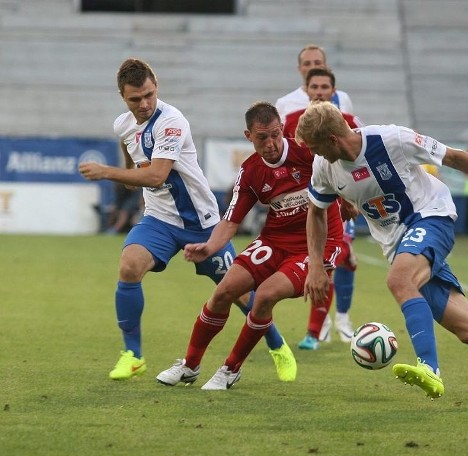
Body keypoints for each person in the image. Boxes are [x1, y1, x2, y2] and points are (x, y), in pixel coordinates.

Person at [296, 101, 468, 403]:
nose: (314, 153)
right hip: (398, 244)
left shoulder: (392, 140)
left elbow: (453, 157)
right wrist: (316, 265)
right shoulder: (324, 167)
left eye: (316, 147)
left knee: (399, 281)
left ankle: (430, 369)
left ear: (333, 140)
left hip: (432, 217)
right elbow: (316, 212)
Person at [78, 58, 294, 381]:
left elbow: (156, 175)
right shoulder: (122, 126)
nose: (144, 103)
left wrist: (106, 172)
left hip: (202, 222)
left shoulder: (172, 121)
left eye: (149, 94)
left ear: (156, 86)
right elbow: (133, 170)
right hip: (159, 220)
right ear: (123, 97)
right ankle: (133, 355)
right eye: (135, 99)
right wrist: (124, 174)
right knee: (129, 266)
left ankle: (278, 346)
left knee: (237, 292)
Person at [156, 101, 345, 390]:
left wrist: (351, 202)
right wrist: (208, 247)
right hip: (275, 239)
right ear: (248, 136)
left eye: (275, 135)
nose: (270, 143)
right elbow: (231, 221)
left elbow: (342, 170)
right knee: (224, 291)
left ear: (282, 130)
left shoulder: (308, 153)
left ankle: (230, 369)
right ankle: (190, 366)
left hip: (318, 244)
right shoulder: (251, 172)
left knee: (265, 295)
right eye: (261, 137)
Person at [282, 67, 362, 349]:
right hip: (302, 202)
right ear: (306, 90)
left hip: (337, 202)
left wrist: (350, 199)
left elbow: (355, 162)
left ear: (333, 91)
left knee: (330, 261)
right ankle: (329, 322)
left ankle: (317, 331)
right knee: (337, 260)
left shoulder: (348, 121)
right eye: (313, 87)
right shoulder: (291, 121)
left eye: (324, 87)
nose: (319, 92)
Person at [275, 44, 353, 125]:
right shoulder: (284, 103)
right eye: (307, 63)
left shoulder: (342, 98)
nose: (313, 67)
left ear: (325, 65)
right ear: (299, 68)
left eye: (317, 63)